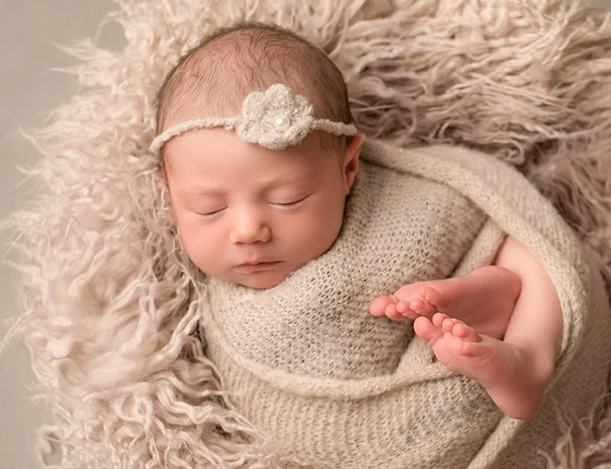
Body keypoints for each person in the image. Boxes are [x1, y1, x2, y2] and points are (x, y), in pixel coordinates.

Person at [152, 23, 563, 420]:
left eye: (286, 199)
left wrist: (493, 254)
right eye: (209, 208)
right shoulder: (181, 309)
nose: (247, 231)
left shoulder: (408, 203)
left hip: (490, 334)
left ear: (348, 168)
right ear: (169, 189)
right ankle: (484, 302)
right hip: (398, 418)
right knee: (449, 314)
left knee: (530, 255)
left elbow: (490, 211)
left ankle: (528, 355)